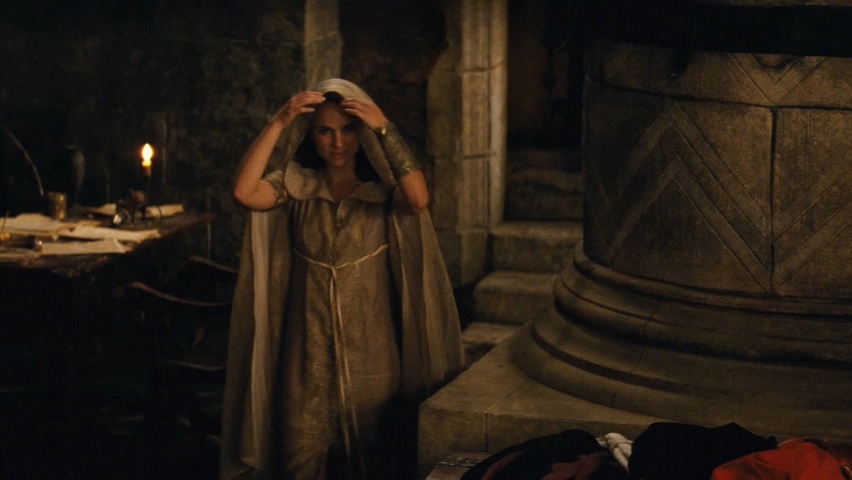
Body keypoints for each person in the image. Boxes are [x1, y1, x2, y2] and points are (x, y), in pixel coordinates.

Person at [220, 78, 465, 480]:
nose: (338, 142)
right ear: (310, 135)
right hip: (305, 362)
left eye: (348, 129)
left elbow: (418, 200)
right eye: (324, 131)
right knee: (300, 460)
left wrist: (383, 126)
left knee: (372, 463)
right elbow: (245, 192)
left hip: (373, 360)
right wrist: (279, 121)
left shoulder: (380, 193)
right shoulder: (297, 188)